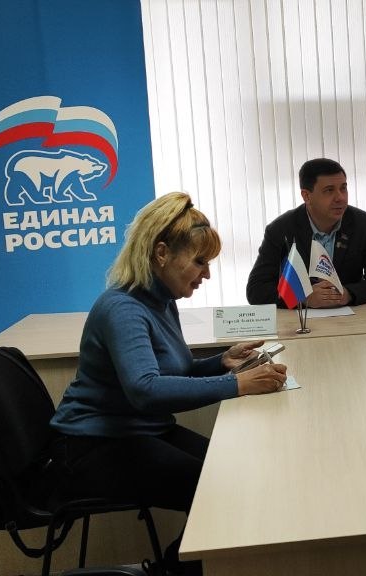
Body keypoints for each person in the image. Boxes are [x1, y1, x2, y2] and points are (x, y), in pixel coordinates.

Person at [48, 191, 288, 574]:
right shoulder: (122, 309)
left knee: (235, 473)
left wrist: (221, 362)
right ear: (162, 253)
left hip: (140, 431)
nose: (206, 274)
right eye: (199, 262)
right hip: (94, 446)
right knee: (219, 489)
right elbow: (146, 389)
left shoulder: (161, 300)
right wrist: (237, 385)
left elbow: (171, 370)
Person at [246, 158, 366, 308]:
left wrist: (348, 293)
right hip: (300, 319)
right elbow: (256, 290)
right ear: (307, 196)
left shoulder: (365, 225)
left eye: (343, 188)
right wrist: (303, 298)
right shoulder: (281, 229)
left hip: (353, 317)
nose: (340, 198)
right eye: (329, 190)